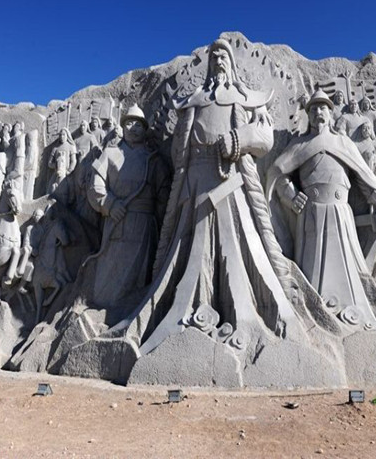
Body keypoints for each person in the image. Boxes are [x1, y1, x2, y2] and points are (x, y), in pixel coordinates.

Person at [111, 40, 346, 362]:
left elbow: (264, 138)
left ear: (232, 63)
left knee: (239, 251)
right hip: (195, 187)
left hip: (232, 185)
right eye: (214, 56)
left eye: (224, 55)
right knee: (189, 255)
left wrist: (237, 140)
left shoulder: (245, 98)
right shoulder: (193, 100)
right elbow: (179, 149)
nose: (219, 59)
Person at [267, 90, 376, 329]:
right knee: (312, 271)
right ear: (308, 115)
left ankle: (354, 317)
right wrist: (291, 196)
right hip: (312, 215)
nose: (319, 112)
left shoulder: (343, 143)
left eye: (323, 108)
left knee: (348, 272)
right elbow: (277, 173)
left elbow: (364, 179)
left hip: (340, 214)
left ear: (330, 112)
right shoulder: (300, 144)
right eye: (314, 109)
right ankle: (313, 317)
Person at [87, 104, 170, 309]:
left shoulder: (153, 159)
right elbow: (95, 186)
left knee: (137, 281)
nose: (133, 128)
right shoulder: (109, 153)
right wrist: (109, 204)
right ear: (122, 127)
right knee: (107, 279)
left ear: (145, 129)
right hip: (116, 222)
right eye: (129, 123)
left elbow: (164, 194)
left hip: (144, 228)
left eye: (138, 124)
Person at [47, 127, 77, 195]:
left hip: (67, 173)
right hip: (56, 173)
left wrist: (69, 171)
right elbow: (49, 163)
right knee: (50, 189)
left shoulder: (71, 147)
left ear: (67, 135)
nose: (62, 136)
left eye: (63, 135)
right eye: (60, 135)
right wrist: (57, 166)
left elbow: (74, 161)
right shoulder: (55, 148)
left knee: (71, 190)